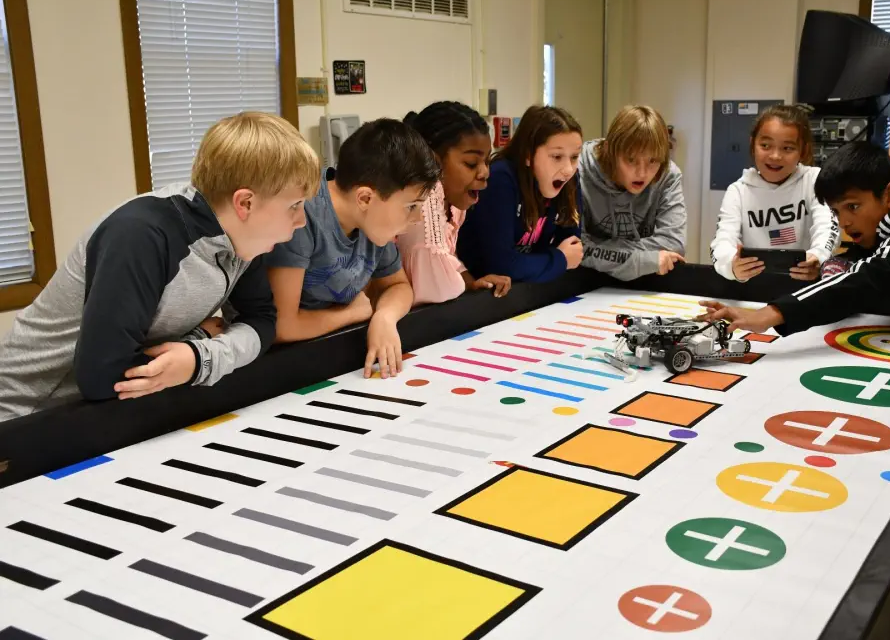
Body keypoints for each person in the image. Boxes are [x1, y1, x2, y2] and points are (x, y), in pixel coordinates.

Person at [0, 111, 318, 422]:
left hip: (114, 410)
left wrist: (198, 359)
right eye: (293, 206)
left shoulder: (242, 238)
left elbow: (262, 322)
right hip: (28, 416)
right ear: (245, 203)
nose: (301, 221)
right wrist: (198, 343)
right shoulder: (141, 235)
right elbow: (104, 376)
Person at [698, 141, 890, 335]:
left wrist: (768, 314)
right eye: (837, 211)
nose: (845, 222)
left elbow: (866, 280)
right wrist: (842, 262)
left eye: (853, 207)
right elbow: (870, 253)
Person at [266, 118, 439, 378]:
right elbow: (281, 326)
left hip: (330, 353)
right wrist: (353, 313)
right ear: (365, 198)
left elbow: (399, 286)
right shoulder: (301, 217)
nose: (417, 219)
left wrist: (385, 316)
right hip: (277, 366)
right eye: (411, 206)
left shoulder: (372, 223)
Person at [709, 104, 840, 282]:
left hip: (804, 286)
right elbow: (722, 240)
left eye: (787, 148)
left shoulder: (815, 180)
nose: (775, 156)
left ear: (803, 150)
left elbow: (828, 226)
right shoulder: (738, 191)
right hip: (752, 287)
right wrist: (732, 265)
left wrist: (818, 257)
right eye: (765, 145)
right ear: (752, 145)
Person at [396, 101, 511, 305]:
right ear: (432, 162)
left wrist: (470, 283)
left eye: (487, 161)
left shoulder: (454, 204)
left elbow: (447, 258)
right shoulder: (423, 205)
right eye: (471, 163)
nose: (485, 172)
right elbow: (437, 289)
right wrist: (458, 283)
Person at [456, 105, 584, 283]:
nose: (568, 169)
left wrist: (553, 261)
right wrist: (559, 260)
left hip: (525, 292)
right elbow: (502, 265)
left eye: (574, 157)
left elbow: (573, 250)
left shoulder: (570, 180)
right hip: (477, 292)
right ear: (528, 155)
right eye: (556, 157)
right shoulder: (501, 179)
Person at [578, 105, 686, 280]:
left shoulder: (669, 175)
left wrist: (599, 250)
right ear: (610, 151)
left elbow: (673, 244)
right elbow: (576, 249)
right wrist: (644, 260)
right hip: (582, 282)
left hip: (647, 283)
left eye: (653, 161)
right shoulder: (578, 170)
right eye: (631, 160)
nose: (642, 173)